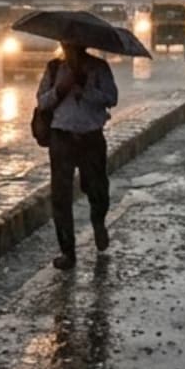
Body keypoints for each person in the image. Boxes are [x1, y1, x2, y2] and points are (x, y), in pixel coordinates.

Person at [37, 41, 119, 270]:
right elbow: (41, 102)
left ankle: (98, 221)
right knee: (61, 198)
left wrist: (86, 88)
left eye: (74, 46)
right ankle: (67, 252)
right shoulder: (54, 68)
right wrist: (60, 90)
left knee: (97, 188)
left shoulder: (99, 68)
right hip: (61, 139)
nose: (70, 49)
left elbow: (112, 98)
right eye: (66, 45)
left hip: (91, 138)